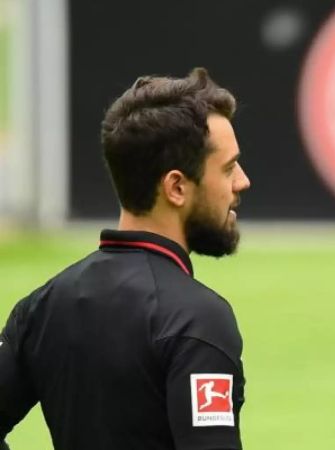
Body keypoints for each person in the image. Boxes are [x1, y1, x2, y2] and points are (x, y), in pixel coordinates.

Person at [0, 68, 251, 449]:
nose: (242, 181)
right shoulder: (196, 320)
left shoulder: (43, 305)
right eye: (229, 167)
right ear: (177, 187)